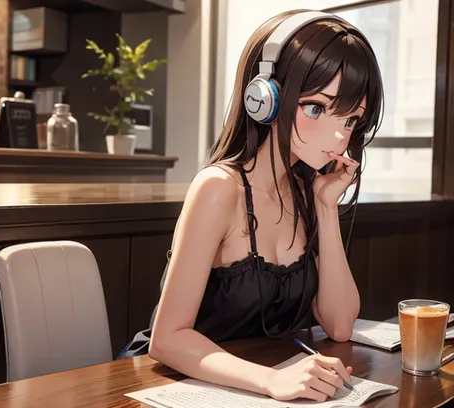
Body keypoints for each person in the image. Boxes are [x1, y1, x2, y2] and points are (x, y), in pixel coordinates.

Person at [117, 9, 383, 403]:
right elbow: (167, 339)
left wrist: (327, 209)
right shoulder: (218, 189)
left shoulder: (307, 191)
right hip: (172, 386)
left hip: (250, 388)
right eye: (316, 108)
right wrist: (270, 381)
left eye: (350, 120)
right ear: (265, 98)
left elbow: (340, 325)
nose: (337, 135)